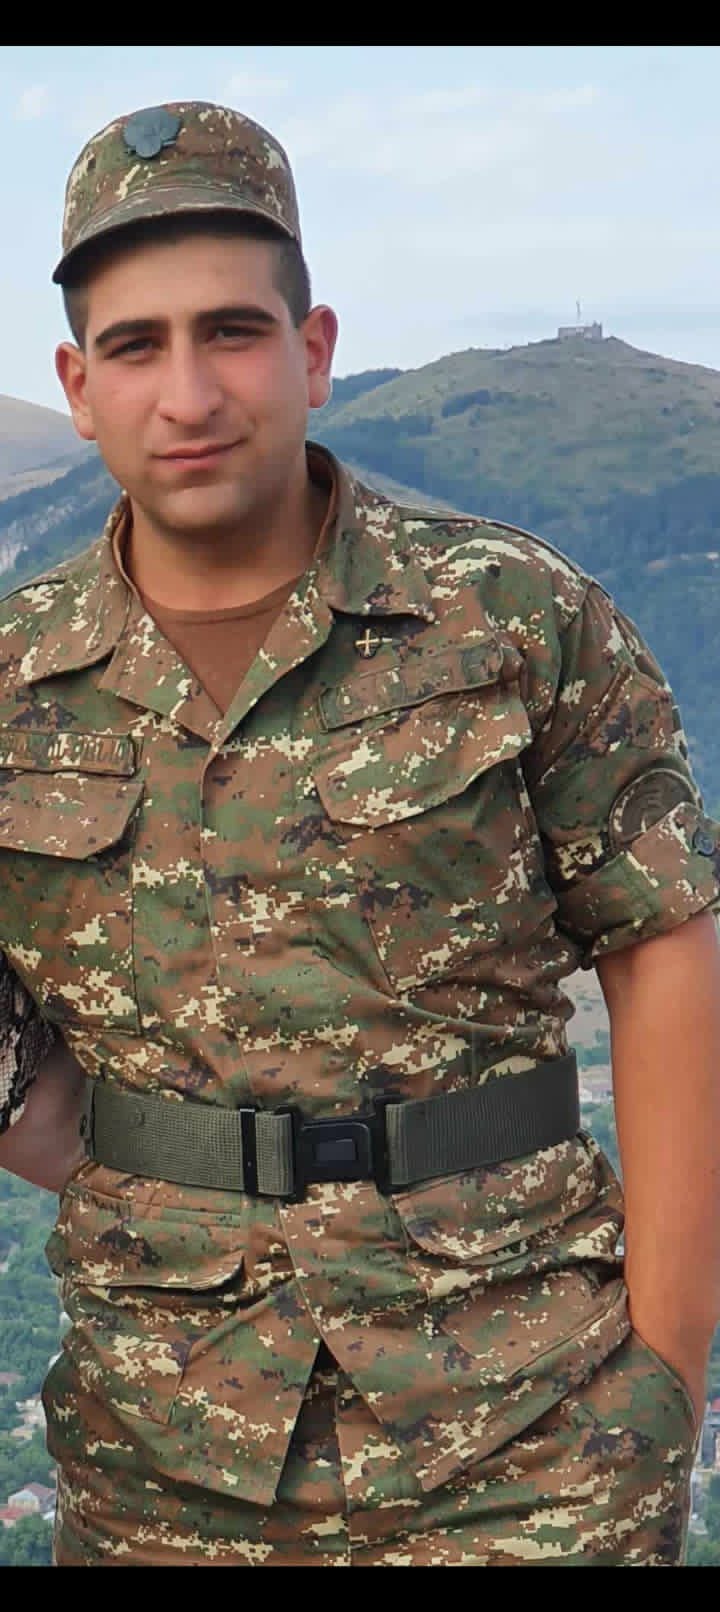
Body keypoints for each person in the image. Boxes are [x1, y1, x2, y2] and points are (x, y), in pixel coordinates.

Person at [0, 97, 719, 1568]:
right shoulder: (12, 681)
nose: (188, 392)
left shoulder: (513, 615)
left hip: (532, 1424)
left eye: (232, 332)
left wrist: (666, 1372)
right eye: (136, 346)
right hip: (160, 1449)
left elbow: (665, 957)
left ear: (314, 351)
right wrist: (164, 1177)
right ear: (78, 386)